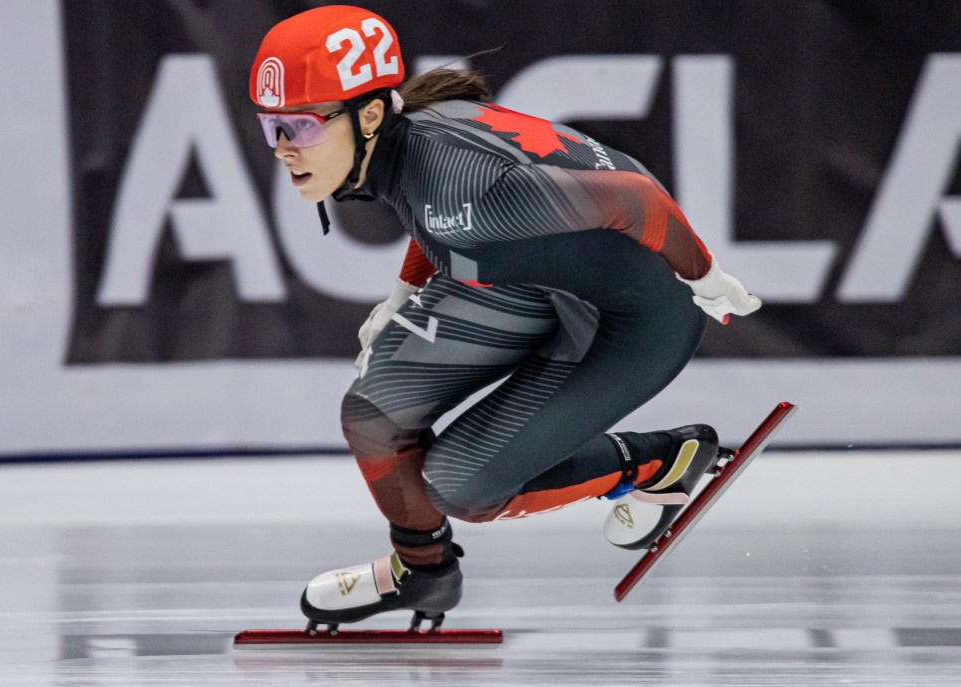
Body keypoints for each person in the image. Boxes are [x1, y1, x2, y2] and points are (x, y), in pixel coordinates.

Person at [249, 5, 761, 630]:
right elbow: (436, 219)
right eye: (269, 126)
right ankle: (423, 571)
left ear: (372, 114)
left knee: (461, 488)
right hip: (532, 280)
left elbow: (637, 200)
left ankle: (661, 461)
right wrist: (401, 296)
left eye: (298, 128)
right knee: (375, 415)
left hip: (631, 317)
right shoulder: (406, 148)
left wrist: (703, 276)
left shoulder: (469, 187)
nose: (281, 150)